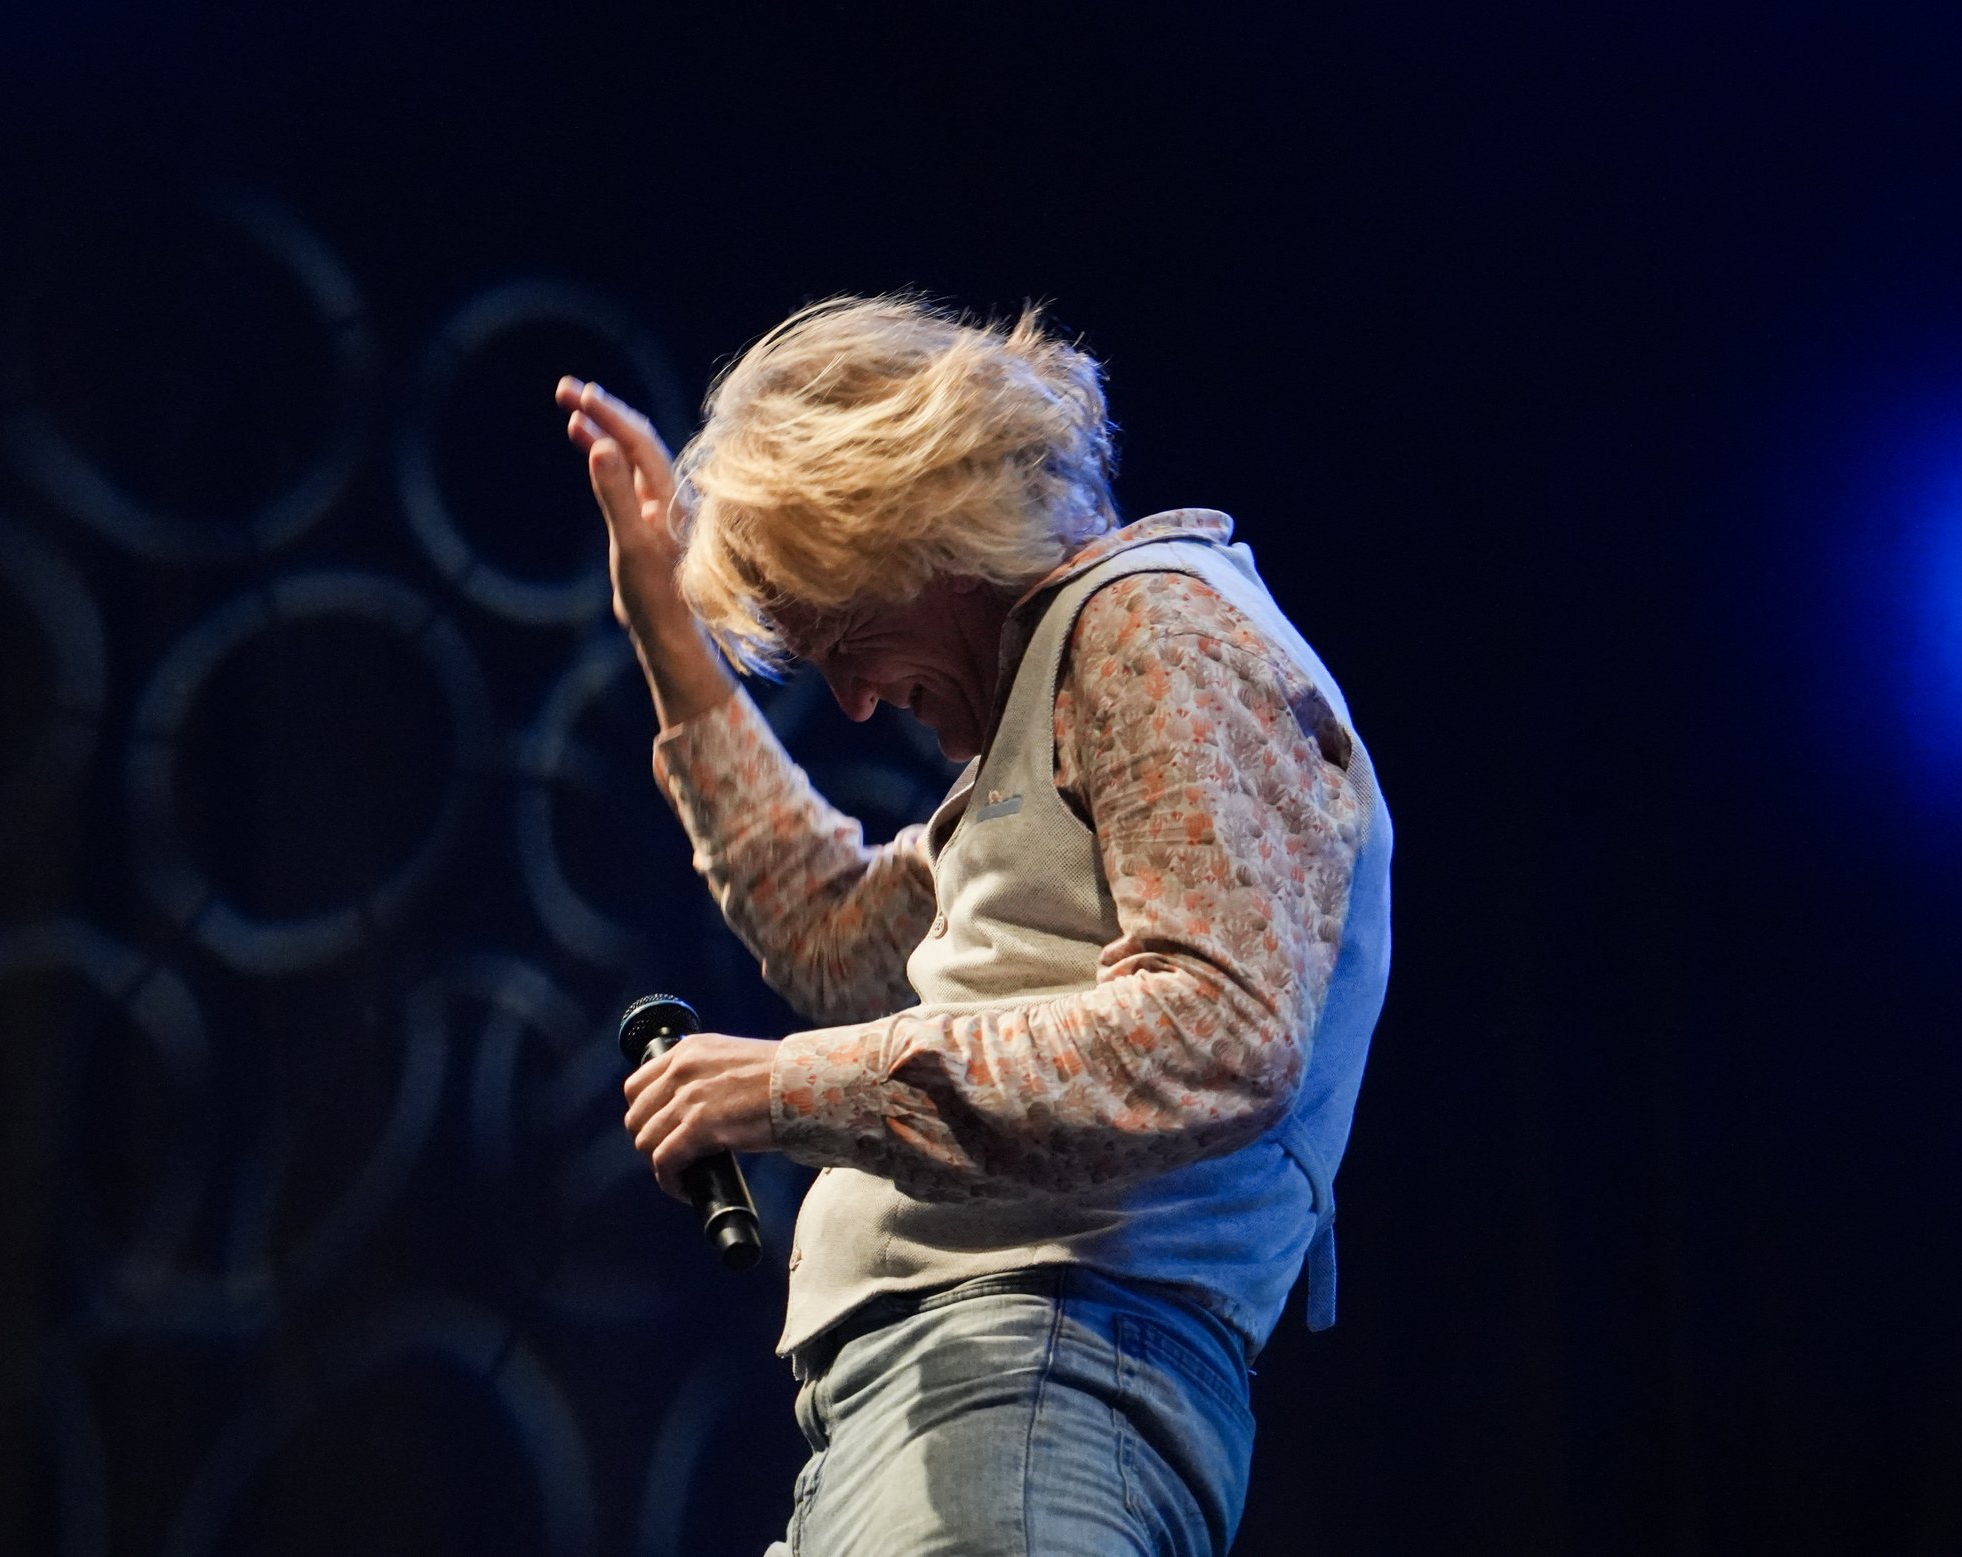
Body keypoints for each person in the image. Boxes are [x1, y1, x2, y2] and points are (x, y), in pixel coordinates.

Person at [555, 296, 1392, 1556]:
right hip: (963, 1390)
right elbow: (836, 933)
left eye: (844, 636)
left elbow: (1216, 1030)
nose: (849, 701)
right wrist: (668, 630)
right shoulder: (1061, 693)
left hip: (1038, 1365)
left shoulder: (1151, 631)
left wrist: (790, 1088)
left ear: (922, 536)